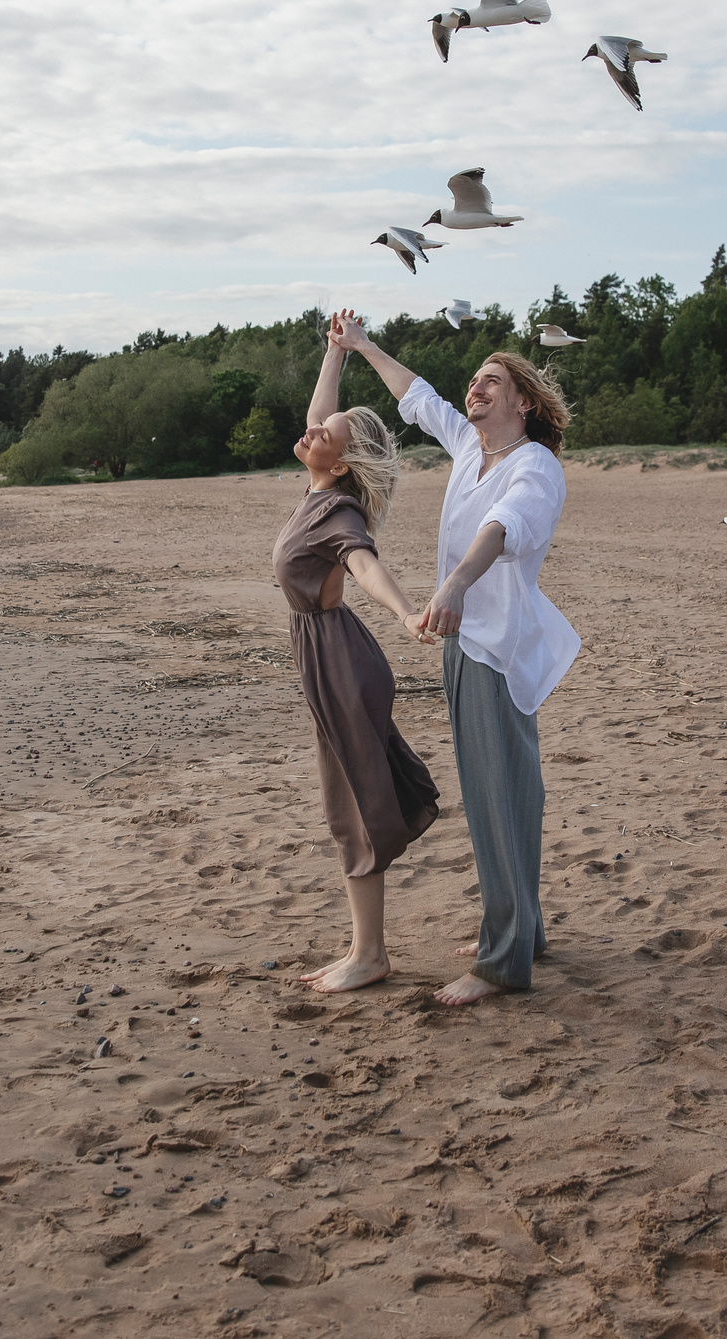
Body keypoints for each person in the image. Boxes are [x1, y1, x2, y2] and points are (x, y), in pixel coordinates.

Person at [331, 310, 577, 1005]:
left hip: (494, 647)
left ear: (522, 401)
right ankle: (521, 929)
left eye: (492, 381)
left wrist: (458, 581)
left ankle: (504, 960)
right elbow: (418, 396)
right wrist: (360, 345)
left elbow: (507, 527)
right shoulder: (472, 450)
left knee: (499, 796)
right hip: (467, 640)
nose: (476, 388)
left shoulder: (534, 464)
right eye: (475, 380)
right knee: (509, 790)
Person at [274, 320, 443, 994]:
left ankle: (369, 952)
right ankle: (364, 946)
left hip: (341, 660)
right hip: (326, 656)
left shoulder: (339, 510)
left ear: (340, 463)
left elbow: (366, 567)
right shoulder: (319, 488)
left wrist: (405, 610)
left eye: (326, 435)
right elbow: (320, 414)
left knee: (354, 801)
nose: (312, 430)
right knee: (349, 795)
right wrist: (334, 353)